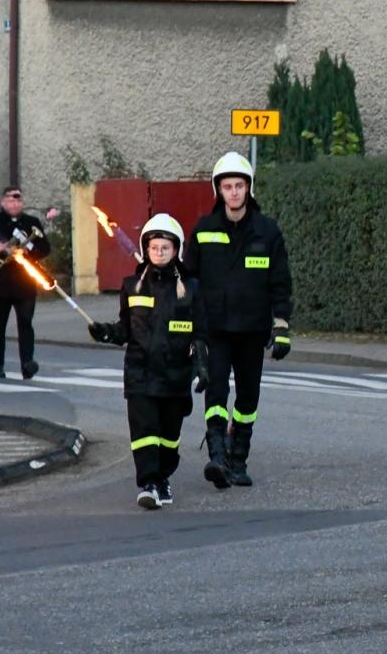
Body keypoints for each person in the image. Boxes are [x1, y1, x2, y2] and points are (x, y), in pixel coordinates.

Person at [182, 152, 292, 490]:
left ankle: (238, 457)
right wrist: (189, 331)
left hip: (252, 329)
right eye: (227, 186)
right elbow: (188, 282)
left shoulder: (267, 231)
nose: (233, 192)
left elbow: (280, 282)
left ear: (248, 189)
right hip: (213, 329)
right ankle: (217, 455)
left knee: (247, 397)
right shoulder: (203, 230)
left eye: (239, 186)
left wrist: (282, 327)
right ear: (218, 190)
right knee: (215, 390)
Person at [88, 214, 206, 509]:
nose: (159, 253)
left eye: (165, 248)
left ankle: (163, 477)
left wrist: (202, 366)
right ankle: (148, 483)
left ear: (176, 249)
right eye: (154, 247)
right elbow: (125, 329)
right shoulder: (133, 286)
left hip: (175, 375)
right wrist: (106, 333)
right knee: (144, 432)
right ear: (147, 249)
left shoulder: (191, 288)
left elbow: (201, 333)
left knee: (168, 437)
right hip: (140, 373)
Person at [0, 184, 51, 379]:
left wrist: (28, 250)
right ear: (2, 202)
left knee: (25, 323)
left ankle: (27, 363)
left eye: (18, 200)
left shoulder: (31, 222)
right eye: (10, 199)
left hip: (25, 282)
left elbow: (45, 248)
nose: (14, 203)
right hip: (0, 283)